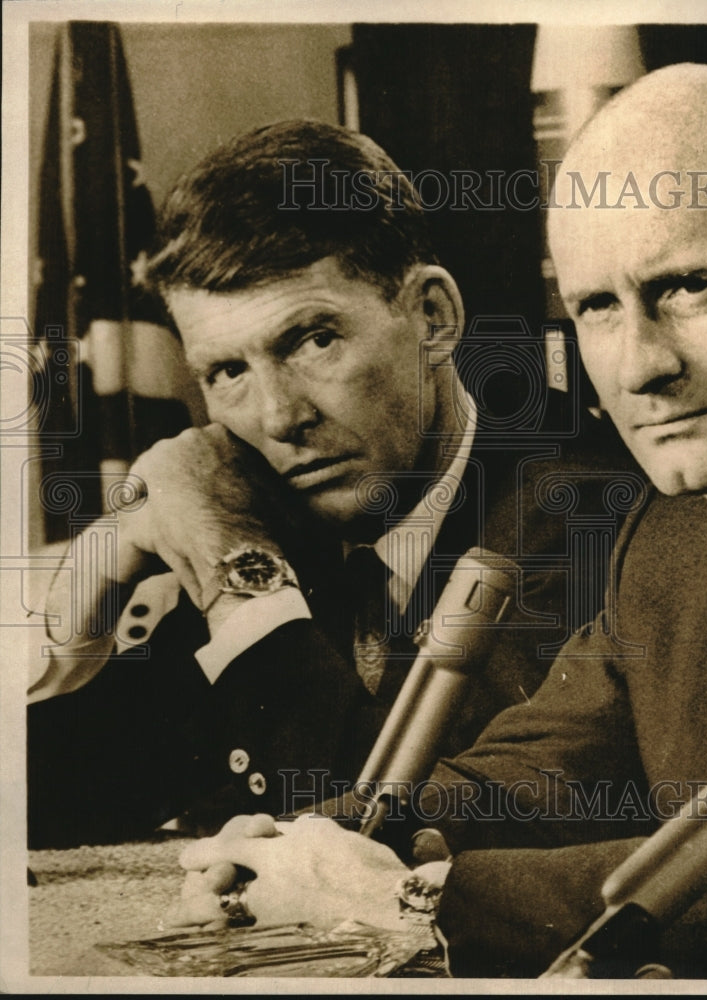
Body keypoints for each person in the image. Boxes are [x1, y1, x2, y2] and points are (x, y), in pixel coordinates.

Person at [168, 64, 707, 980]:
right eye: (597, 306)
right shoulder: (679, 515)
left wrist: (412, 900)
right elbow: (552, 764)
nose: (637, 367)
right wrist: (345, 839)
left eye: (686, 288)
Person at [27, 120, 628, 847]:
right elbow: (50, 797)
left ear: (432, 318)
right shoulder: (275, 508)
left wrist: (239, 573)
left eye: (315, 340)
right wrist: (85, 605)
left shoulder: (586, 511)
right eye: (228, 372)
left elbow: (399, 834)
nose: (279, 418)